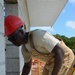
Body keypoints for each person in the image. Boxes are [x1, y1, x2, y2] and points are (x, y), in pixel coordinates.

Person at [4, 15, 74, 75]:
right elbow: (27, 66)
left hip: (64, 58)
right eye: (10, 39)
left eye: (14, 37)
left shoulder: (38, 36)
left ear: (21, 31)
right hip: (51, 62)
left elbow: (60, 51)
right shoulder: (25, 49)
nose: (13, 41)